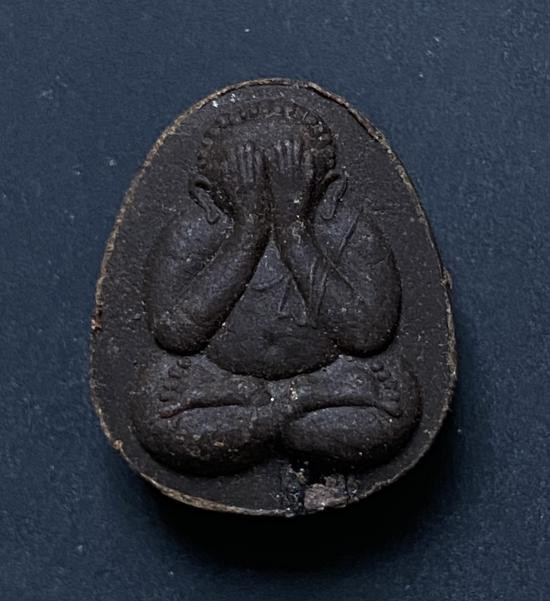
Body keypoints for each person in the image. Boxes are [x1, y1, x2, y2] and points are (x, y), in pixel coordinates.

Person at [132, 101, 420, 474]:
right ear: (207, 195)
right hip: (221, 381)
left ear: (329, 190)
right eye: (248, 180)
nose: (268, 193)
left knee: (398, 399)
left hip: (327, 377)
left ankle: (275, 413)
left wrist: (293, 229)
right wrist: (248, 230)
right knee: (152, 409)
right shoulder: (194, 233)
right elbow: (174, 333)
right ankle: (290, 412)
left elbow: (367, 334)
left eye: (287, 180)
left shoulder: (346, 230)